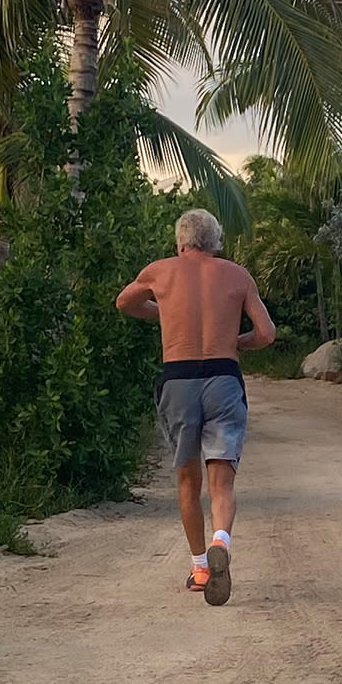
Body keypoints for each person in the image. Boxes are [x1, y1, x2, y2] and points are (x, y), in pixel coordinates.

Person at [115, 208, 277, 606]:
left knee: (189, 480)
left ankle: (200, 566)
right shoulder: (237, 275)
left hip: (179, 378)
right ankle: (222, 539)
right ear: (216, 242)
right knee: (222, 480)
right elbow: (267, 334)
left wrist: (162, 313)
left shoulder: (159, 271)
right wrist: (237, 343)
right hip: (223, 378)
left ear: (180, 241)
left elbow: (124, 303)